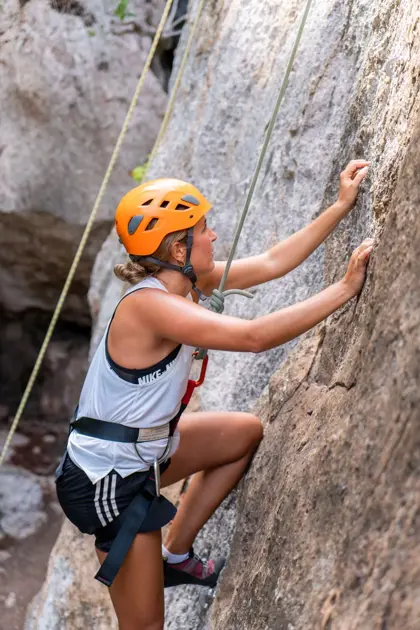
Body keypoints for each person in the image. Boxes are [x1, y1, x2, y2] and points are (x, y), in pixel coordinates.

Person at [56, 160, 372, 630]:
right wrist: (345, 290)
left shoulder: (184, 284)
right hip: (108, 480)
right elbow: (254, 338)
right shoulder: (150, 308)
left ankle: (174, 554)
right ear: (179, 246)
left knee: (242, 434)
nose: (214, 237)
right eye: (204, 230)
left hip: (145, 450)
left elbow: (270, 264)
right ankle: (151, 560)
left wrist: (341, 206)